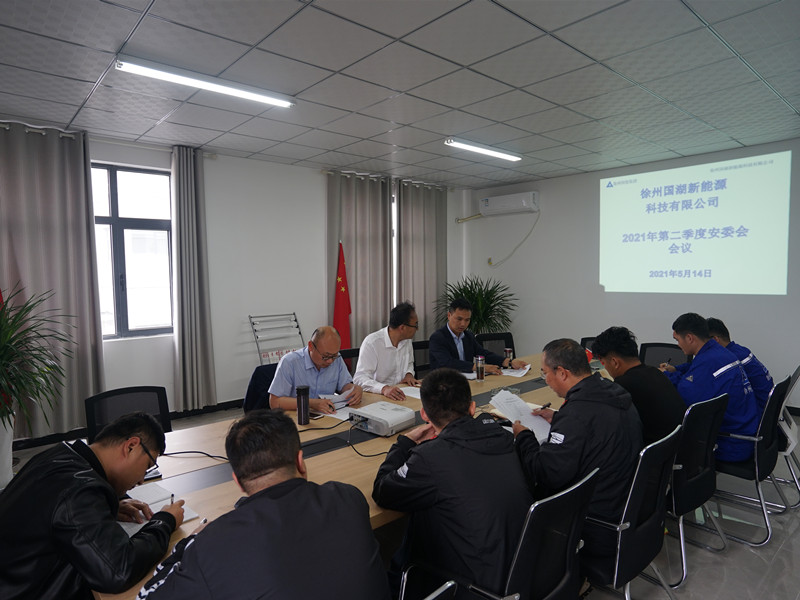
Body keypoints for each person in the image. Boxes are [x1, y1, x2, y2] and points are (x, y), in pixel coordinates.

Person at [138, 409, 390, 599]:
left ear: (237, 481)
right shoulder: (348, 497)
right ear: (300, 461)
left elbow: (146, 596)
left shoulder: (212, 544)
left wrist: (190, 541)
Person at [373, 368, 533, 598]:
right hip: (519, 570)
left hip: (470, 587)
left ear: (424, 415)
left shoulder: (429, 458)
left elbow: (383, 491)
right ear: (472, 408)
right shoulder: (505, 437)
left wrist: (404, 444)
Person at [0, 412, 184, 600]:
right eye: (147, 466)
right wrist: (164, 522)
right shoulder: (80, 491)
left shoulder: (58, 455)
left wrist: (108, 506)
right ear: (131, 446)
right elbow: (118, 571)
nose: (141, 480)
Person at [512, 339, 642, 559]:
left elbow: (547, 474)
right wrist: (559, 418)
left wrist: (524, 437)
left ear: (562, 373)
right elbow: (592, 425)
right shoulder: (612, 390)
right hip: (623, 500)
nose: (546, 380)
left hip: (594, 518)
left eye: (545, 373)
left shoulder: (576, 414)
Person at [660, 312, 759, 462]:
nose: (678, 345)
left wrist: (665, 376)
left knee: (663, 433)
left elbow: (684, 397)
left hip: (732, 443)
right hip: (746, 432)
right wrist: (676, 371)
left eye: (677, 340)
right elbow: (695, 373)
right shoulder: (718, 352)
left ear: (690, 338)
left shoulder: (709, 362)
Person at [591, 326, 686, 445]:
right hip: (677, 444)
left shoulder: (623, 387)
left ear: (615, 362)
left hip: (651, 450)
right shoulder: (654, 372)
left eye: (604, 363)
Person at [269, 325, 363, 414]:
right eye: (325, 356)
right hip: (298, 418)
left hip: (328, 417)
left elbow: (344, 386)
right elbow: (274, 402)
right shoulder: (290, 362)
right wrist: (311, 403)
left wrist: (354, 389)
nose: (330, 361)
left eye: (334, 356)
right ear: (311, 346)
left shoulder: (337, 359)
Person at [429, 298, 528, 374]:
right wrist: (480, 367)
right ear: (449, 315)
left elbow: (483, 353)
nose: (463, 324)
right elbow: (448, 363)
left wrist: (509, 362)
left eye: (467, 320)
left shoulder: (468, 336)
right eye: (459, 319)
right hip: (443, 381)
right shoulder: (438, 338)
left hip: (466, 380)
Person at [354, 301, 421, 401]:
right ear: (402, 328)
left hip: (402, 393)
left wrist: (409, 374)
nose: (417, 329)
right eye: (415, 325)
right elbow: (359, 378)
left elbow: (409, 363)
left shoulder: (407, 341)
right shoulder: (372, 343)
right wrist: (384, 388)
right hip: (377, 397)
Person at [707, 317, 774, 412]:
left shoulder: (730, 358)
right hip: (768, 400)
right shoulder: (741, 350)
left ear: (715, 339)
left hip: (759, 407)